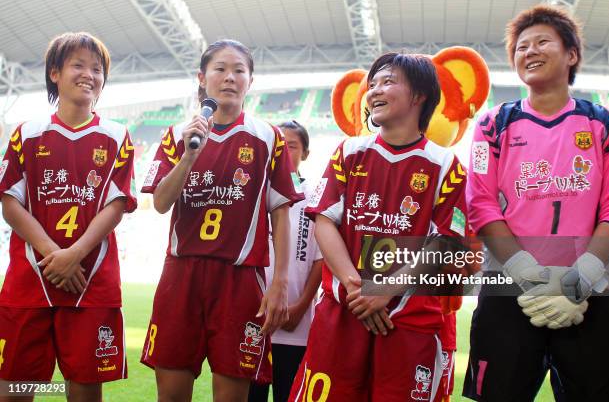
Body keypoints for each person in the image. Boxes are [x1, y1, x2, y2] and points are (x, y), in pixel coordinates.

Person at [289, 52, 469, 401]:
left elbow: (448, 242)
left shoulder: (446, 166)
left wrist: (386, 290)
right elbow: (324, 220)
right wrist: (358, 289)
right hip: (345, 310)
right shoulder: (349, 151)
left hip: (410, 319)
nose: (374, 91)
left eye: (388, 82)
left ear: (419, 95)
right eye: (372, 84)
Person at [140, 39, 304, 401]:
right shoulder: (177, 136)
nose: (229, 77)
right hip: (181, 275)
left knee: (231, 395)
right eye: (220, 69)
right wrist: (188, 156)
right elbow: (161, 203)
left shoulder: (268, 137)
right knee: (170, 393)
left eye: (239, 70)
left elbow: (281, 212)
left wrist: (279, 282)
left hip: (241, 278)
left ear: (250, 80)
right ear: (202, 78)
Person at [462, 5, 609, 401]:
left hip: (590, 292)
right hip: (509, 290)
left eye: (542, 41)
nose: (529, 51)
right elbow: (480, 204)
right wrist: (528, 273)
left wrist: (580, 279)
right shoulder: (492, 124)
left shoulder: (603, 124)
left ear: (572, 55)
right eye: (521, 47)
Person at [0, 32, 137, 402]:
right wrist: (52, 254)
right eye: (78, 65)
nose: (89, 75)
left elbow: (117, 205)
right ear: (55, 72)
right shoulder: (26, 135)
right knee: (16, 389)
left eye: (97, 69)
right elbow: (10, 202)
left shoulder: (116, 136)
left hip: (89, 283)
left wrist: (74, 253)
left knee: (83, 390)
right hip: (30, 281)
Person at [248, 120, 323, 402]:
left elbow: (320, 257)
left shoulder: (315, 194)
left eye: (291, 146)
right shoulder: (252, 190)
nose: (283, 151)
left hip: (296, 324)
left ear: (305, 153)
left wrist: (302, 306)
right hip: (253, 319)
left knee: (288, 395)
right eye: (277, 145)